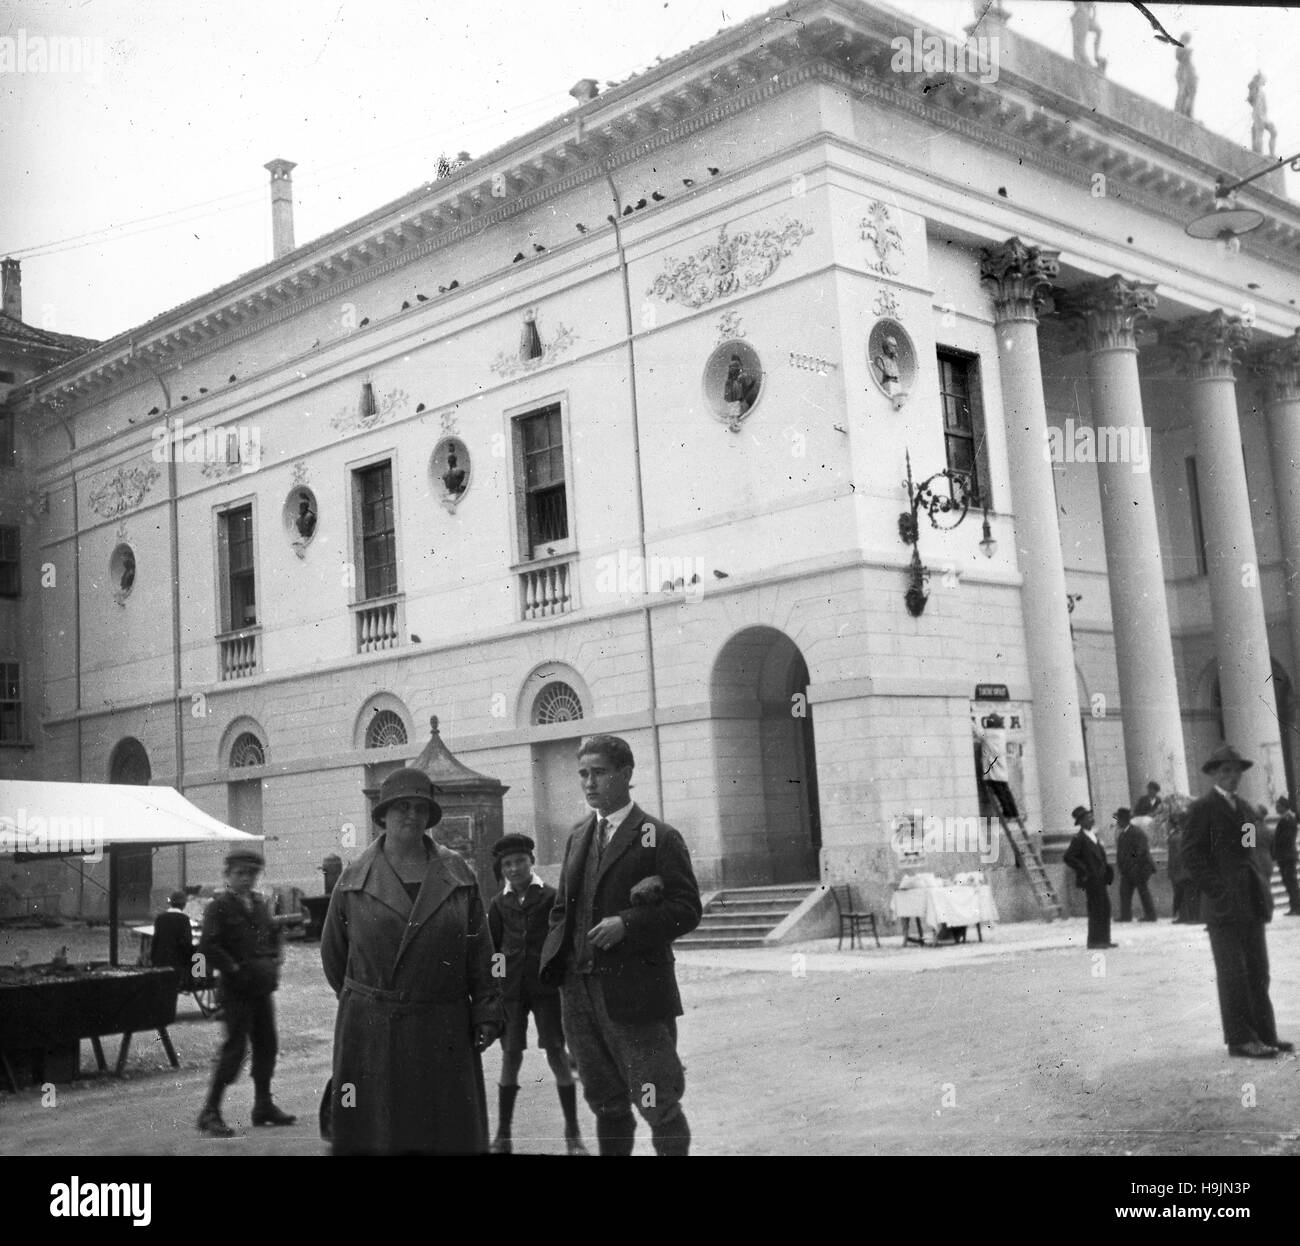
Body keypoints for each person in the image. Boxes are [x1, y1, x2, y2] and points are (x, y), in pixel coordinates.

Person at [321, 768, 504, 1154]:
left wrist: (487, 1009)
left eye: (420, 807)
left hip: (443, 1025)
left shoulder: (458, 874)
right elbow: (334, 955)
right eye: (401, 806)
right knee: (379, 1135)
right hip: (372, 1032)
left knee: (446, 1133)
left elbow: (481, 950)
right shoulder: (354, 879)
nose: (412, 815)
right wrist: (375, 1000)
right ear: (383, 815)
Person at [539, 734, 702, 1156]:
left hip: (635, 996)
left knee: (657, 1101)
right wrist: (557, 968)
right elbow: (561, 911)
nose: (589, 783)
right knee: (606, 1103)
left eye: (599, 773)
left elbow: (687, 909)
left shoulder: (656, 836)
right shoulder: (578, 837)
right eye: (583, 775)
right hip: (579, 996)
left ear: (626, 775)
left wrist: (627, 924)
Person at [1182, 744, 1292, 1059]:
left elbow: (1248, 851)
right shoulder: (1202, 809)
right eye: (1226, 771)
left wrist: (1259, 880)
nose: (1233, 777)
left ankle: (1265, 1034)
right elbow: (1191, 854)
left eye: (1236, 771)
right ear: (1214, 774)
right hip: (1223, 907)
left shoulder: (1244, 808)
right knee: (1234, 973)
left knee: (1259, 970)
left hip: (1251, 902)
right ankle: (1241, 1039)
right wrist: (1218, 890)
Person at [487, 832, 588, 1156]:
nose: (514, 869)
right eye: (507, 864)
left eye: (520, 861)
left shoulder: (550, 897)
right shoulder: (497, 904)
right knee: (511, 1056)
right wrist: (498, 987)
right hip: (512, 994)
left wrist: (559, 977)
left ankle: (573, 1134)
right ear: (501, 869)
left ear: (531, 862)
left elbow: (562, 940)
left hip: (546, 989)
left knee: (557, 1052)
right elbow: (495, 952)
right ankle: (502, 1136)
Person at [197, 849, 296, 1137]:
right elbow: (208, 947)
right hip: (236, 990)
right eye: (240, 873)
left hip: (261, 988)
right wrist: (234, 969)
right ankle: (210, 1111)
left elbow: (272, 932)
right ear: (227, 875)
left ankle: (263, 1105)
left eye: (251, 874)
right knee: (235, 1049)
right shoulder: (218, 907)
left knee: (267, 1045)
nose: (246, 879)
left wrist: (276, 956)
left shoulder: (259, 903)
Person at [1063, 806, 1115, 949]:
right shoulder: (1079, 838)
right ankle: (1095, 941)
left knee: (1105, 908)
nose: (1091, 819)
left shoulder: (1093, 836)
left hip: (1100, 878)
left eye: (1091, 816)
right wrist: (1084, 869)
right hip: (1091, 879)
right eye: (1088, 818)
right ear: (1081, 822)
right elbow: (1068, 857)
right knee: (1096, 909)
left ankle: (1104, 939)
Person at [971, 713, 1020, 821]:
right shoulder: (1002, 733)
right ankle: (1014, 813)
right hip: (1001, 768)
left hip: (993, 769)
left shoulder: (988, 733)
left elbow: (978, 733)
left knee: (999, 792)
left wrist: (970, 720)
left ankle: (1008, 814)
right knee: (1006, 791)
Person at [1114, 808, 1157, 923]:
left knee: (1143, 891)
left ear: (1124, 820)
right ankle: (1125, 916)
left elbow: (1140, 851)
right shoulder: (1123, 834)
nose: (1117, 822)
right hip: (1128, 870)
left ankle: (1151, 915)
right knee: (1124, 892)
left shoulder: (1136, 832)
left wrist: (1130, 864)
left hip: (1140, 868)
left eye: (1118, 819)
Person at [151, 890, 195, 994]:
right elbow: (186, 943)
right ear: (183, 905)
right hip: (177, 961)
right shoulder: (184, 919)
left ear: (171, 903)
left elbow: (155, 939)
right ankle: (189, 984)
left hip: (160, 959)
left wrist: (153, 958)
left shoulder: (160, 918)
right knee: (198, 955)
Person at [1272, 796, 1300, 916]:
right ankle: (1294, 906)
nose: (1276, 808)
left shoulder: (1287, 819)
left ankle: (1296, 907)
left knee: (1291, 882)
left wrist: (1274, 841)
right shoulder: (1287, 818)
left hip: (1286, 855)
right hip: (1286, 855)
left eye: (1278, 806)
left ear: (1284, 807)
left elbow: (1286, 838)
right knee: (1289, 882)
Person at [1174, 34, 1196, 119]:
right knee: (1183, 92)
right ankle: (1180, 111)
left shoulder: (1182, 46)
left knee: (1187, 93)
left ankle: (1186, 112)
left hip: (1186, 73)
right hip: (1183, 72)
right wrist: (1187, 52)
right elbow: (1178, 56)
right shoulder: (1181, 46)